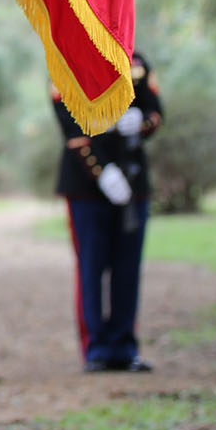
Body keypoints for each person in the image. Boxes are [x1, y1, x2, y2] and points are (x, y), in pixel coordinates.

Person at [51, 53, 162, 373]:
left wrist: (140, 122)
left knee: (128, 267)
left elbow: (156, 112)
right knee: (91, 266)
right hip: (86, 184)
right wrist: (102, 171)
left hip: (133, 178)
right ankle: (96, 347)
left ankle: (124, 345)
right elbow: (69, 122)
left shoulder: (137, 61)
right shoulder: (66, 54)